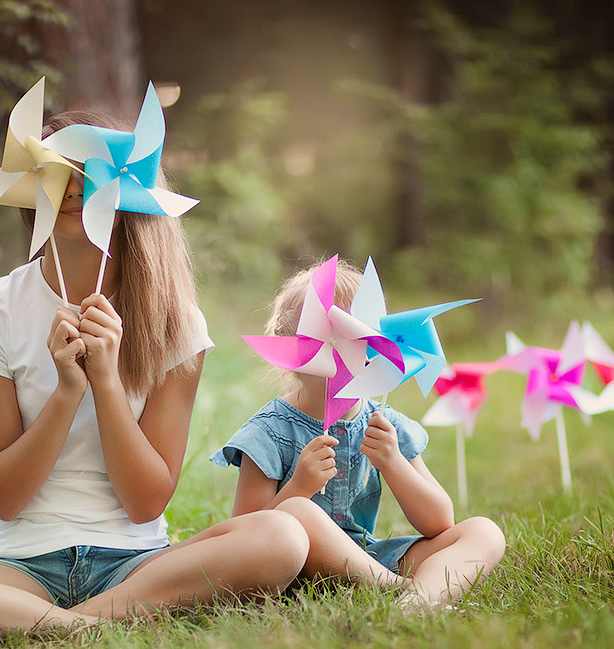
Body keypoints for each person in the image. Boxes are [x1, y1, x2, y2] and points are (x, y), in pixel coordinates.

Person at [0, 110, 309, 635]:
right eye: (57, 170)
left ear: (130, 190)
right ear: (30, 185)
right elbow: (2, 499)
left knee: (281, 538)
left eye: (92, 172)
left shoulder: (174, 321)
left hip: (133, 564)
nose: (75, 187)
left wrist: (106, 382)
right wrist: (66, 392)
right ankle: (91, 628)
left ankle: (57, 625)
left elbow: (146, 502)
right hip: (17, 563)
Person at [210, 259, 506, 609]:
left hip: (367, 559)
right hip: (296, 567)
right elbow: (245, 538)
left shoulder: (384, 424)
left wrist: (393, 462)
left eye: (363, 341)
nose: (354, 356)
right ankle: (403, 591)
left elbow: (440, 522)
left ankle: (418, 602)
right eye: (336, 342)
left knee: (484, 532)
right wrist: (299, 488)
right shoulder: (270, 431)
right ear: (293, 355)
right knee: (297, 510)